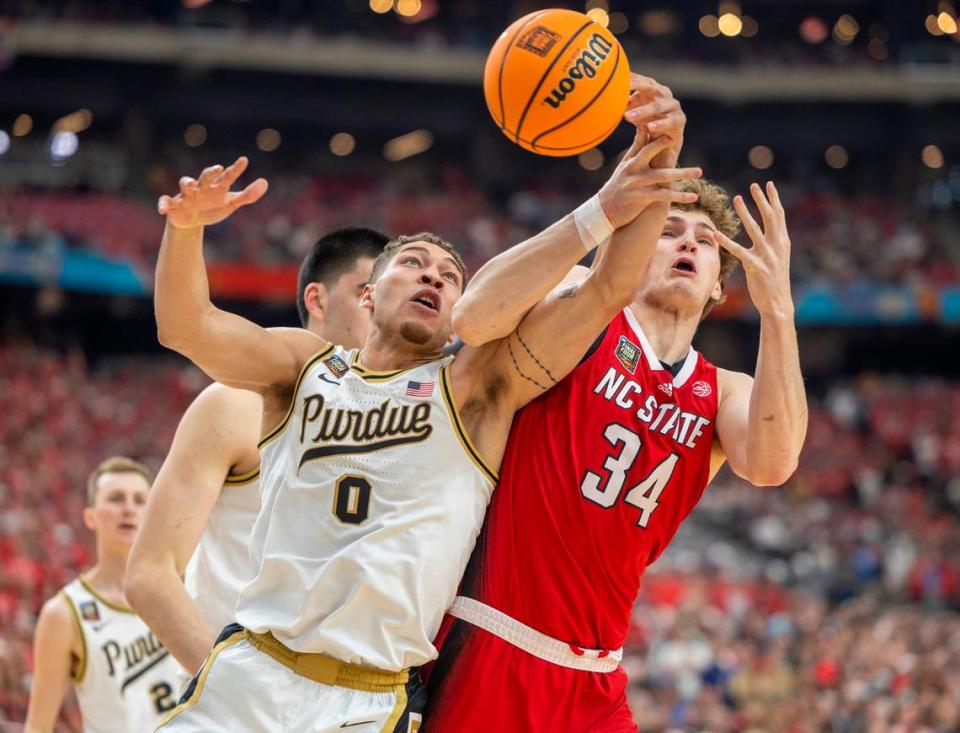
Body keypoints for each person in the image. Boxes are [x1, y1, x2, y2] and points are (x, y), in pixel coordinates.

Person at [150, 75, 699, 733]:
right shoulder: (303, 368)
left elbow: (608, 288)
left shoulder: (475, 389)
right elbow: (187, 327)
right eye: (414, 263)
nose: (434, 276)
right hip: (248, 672)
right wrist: (183, 232)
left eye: (449, 276)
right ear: (368, 294)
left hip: (364, 700)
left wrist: (654, 156)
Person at [422, 83, 808, 731]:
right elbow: (475, 315)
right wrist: (602, 214)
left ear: (720, 283)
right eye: (670, 230)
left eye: (706, 241)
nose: (688, 243)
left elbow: (771, 464)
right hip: (490, 636)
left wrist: (779, 311)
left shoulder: (725, 389)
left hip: (596, 675)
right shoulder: (586, 308)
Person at [124, 227, 388, 677]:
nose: (379, 309)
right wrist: (223, 688)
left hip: (353, 702)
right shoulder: (234, 403)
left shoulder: (408, 421)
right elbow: (150, 573)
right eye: (365, 293)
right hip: (247, 693)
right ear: (317, 300)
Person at [24, 458, 182, 733]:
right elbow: (38, 727)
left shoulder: (185, 584)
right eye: (116, 498)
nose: (129, 509)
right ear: (91, 517)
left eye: (140, 500)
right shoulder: (63, 614)